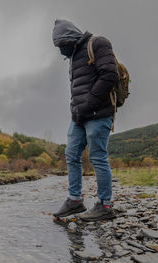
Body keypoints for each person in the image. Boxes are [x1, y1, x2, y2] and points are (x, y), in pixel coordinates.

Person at [52, 19, 118, 221]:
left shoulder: (98, 43)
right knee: (71, 154)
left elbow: (109, 75)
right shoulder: (73, 56)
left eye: (62, 45)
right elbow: (78, 87)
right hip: (79, 116)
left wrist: (88, 104)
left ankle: (105, 205)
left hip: (99, 114)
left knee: (97, 156)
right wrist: (76, 109)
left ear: (71, 38)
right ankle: (75, 200)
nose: (62, 50)